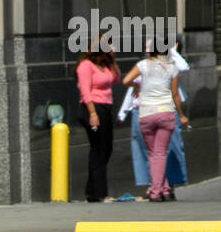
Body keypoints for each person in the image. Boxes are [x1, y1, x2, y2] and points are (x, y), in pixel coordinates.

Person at [118, 39, 190, 199]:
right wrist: (182, 114)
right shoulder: (171, 68)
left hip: (146, 114)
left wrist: (136, 86)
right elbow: (175, 94)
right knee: (161, 153)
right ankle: (158, 190)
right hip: (165, 112)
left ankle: (160, 187)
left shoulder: (143, 65)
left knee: (152, 153)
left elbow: (125, 80)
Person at [75, 42, 121, 202]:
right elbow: (85, 90)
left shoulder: (105, 64)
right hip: (93, 107)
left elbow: (116, 78)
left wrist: (113, 60)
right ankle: (100, 192)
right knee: (98, 148)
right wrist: (92, 113)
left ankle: (92, 190)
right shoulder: (86, 66)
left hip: (106, 107)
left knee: (106, 148)